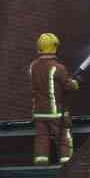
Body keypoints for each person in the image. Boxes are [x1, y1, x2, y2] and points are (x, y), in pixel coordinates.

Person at [28, 33, 78, 166]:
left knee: (41, 138)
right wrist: (76, 82)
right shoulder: (58, 67)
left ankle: (41, 163)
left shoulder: (33, 66)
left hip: (38, 112)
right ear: (54, 46)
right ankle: (66, 163)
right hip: (54, 112)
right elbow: (68, 86)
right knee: (63, 136)